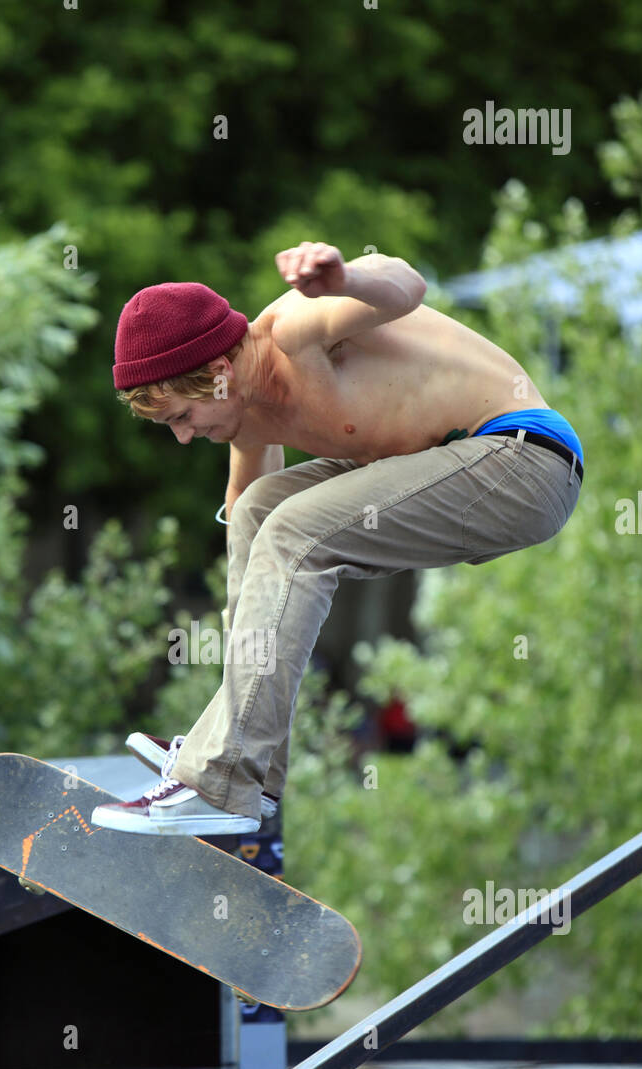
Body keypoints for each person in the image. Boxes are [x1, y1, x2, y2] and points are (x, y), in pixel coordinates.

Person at [91, 242, 583, 835]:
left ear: (218, 376)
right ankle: (252, 772)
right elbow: (248, 559)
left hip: (526, 462)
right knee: (256, 515)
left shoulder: (297, 328)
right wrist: (228, 709)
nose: (183, 438)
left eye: (179, 418)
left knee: (294, 534)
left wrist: (343, 277)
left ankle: (222, 777)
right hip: (455, 462)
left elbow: (405, 281)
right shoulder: (247, 415)